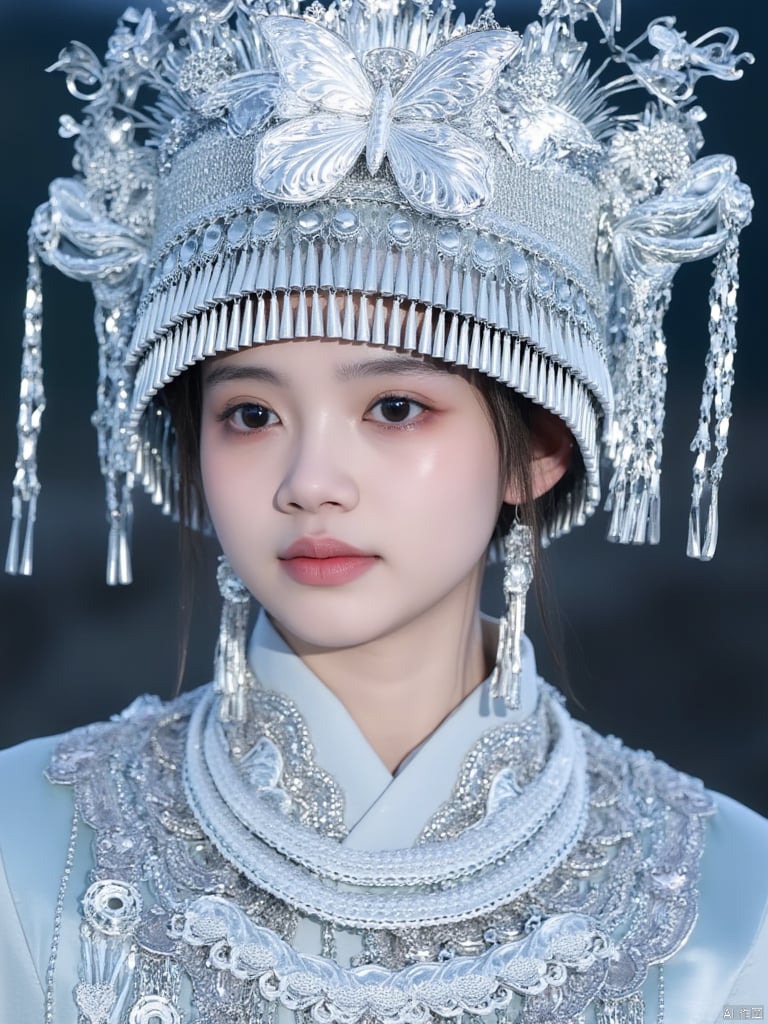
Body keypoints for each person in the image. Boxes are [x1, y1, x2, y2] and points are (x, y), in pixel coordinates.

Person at [0, 0, 766, 1022]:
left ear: (535, 447)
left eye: (395, 408)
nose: (311, 479)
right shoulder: (22, 853)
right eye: (251, 412)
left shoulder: (731, 909)